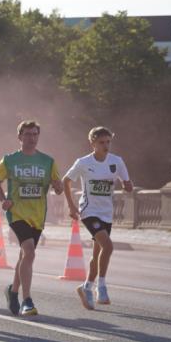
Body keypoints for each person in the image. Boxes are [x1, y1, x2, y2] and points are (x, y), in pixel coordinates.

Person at [0, 120, 63, 317]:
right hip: (16, 213)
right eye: (27, 134)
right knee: (30, 252)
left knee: (24, 256)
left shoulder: (48, 161)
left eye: (34, 134)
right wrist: (3, 200)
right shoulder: (9, 160)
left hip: (37, 215)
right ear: (19, 137)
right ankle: (27, 300)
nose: (31, 138)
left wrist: (58, 187)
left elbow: (58, 187)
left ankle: (12, 291)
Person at [63, 127, 133, 309]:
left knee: (98, 253)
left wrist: (128, 185)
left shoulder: (116, 161)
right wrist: (71, 206)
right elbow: (66, 181)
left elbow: (127, 184)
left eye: (108, 142)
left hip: (106, 213)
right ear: (92, 143)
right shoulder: (83, 162)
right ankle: (101, 287)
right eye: (101, 142)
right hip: (88, 211)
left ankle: (86, 287)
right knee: (108, 246)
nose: (106, 146)